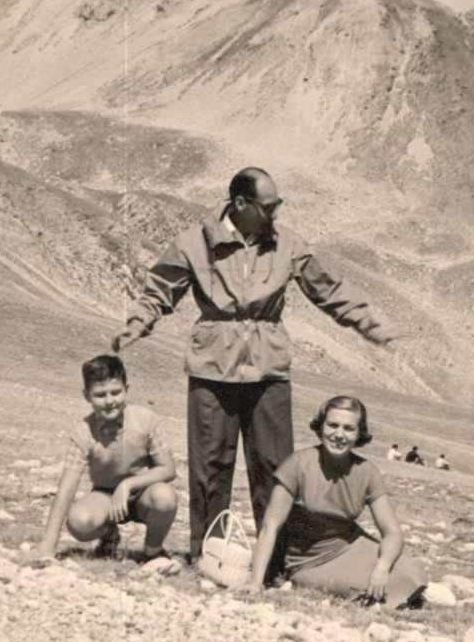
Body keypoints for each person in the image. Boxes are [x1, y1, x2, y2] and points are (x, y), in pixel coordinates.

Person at [112, 167, 392, 564]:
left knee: (275, 469)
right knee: (210, 469)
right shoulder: (193, 244)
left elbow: (326, 289)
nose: (275, 212)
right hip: (212, 368)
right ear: (240, 204)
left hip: (268, 370)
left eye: (278, 204)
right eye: (269, 205)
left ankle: (276, 562)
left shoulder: (288, 244)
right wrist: (137, 323)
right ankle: (208, 557)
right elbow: (159, 291)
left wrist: (366, 323)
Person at [247, 395, 426, 606]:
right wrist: (255, 583)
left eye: (349, 428)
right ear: (321, 427)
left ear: (359, 433)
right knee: (384, 585)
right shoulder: (298, 464)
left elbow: (393, 532)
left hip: (352, 545)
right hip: (310, 561)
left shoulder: (366, 471)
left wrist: (382, 567)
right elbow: (270, 527)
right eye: (333, 425)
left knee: (410, 571)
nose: (339, 435)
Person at [33, 354, 177, 560]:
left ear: (127, 389)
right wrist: (49, 543)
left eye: (116, 392)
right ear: (87, 396)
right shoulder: (83, 433)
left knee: (165, 496)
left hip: (143, 494)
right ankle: (109, 534)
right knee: (79, 521)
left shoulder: (146, 420)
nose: (109, 401)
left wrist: (127, 485)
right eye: (100, 395)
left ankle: (153, 551)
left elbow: (168, 469)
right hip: (105, 497)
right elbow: (66, 489)